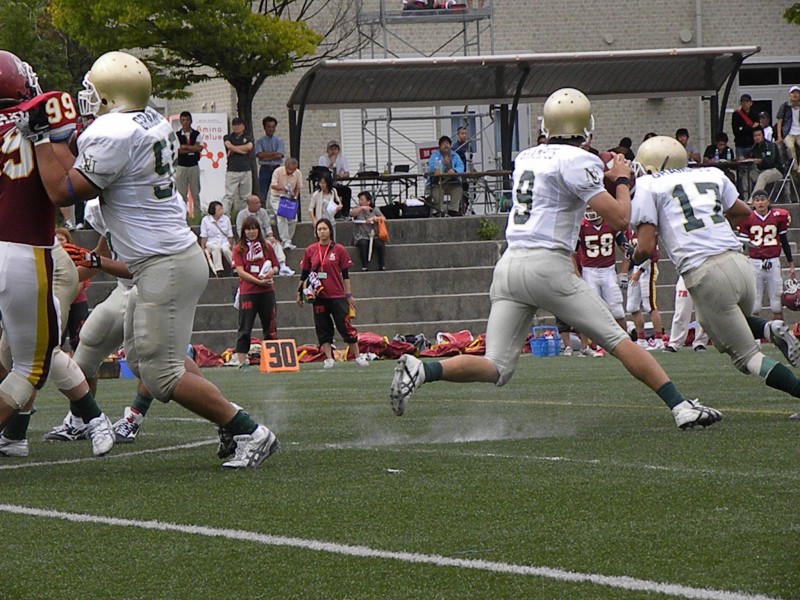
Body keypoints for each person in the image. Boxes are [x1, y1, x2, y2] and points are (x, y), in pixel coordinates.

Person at [389, 87, 722, 430]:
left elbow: (564, 186)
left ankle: (423, 369)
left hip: (509, 265)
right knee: (618, 339)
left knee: (496, 366)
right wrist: (622, 180)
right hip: (548, 265)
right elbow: (621, 217)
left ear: (547, 126)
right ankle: (680, 406)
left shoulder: (527, 157)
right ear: (586, 127)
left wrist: (605, 174)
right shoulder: (580, 161)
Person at [20, 50, 278, 468]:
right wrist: (58, 139)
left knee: (161, 376)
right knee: (145, 361)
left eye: (94, 91)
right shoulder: (150, 120)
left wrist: (40, 139)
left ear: (111, 94)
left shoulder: (112, 132)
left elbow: (63, 190)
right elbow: (80, 169)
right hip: (165, 260)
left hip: (165, 264)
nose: (88, 98)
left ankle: (249, 429)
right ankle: (231, 423)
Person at [630, 135, 800, 413]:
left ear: (653, 165)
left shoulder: (649, 185)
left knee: (748, 358)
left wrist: (633, 256)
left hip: (706, 273)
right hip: (739, 262)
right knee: (710, 320)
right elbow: (742, 212)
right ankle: (768, 328)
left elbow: (646, 247)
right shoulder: (710, 173)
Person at [0, 50, 115, 458]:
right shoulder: (46, 105)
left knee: (22, 354)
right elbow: (70, 179)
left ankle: (18, 436)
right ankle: (93, 419)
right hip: (26, 250)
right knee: (32, 365)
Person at [297, 218, 370, 369]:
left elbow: (346, 275)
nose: (322, 232)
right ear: (316, 232)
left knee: (345, 327)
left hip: (337, 295)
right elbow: (304, 273)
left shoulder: (339, 249)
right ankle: (329, 358)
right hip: (319, 296)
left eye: (324, 228)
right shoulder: (310, 250)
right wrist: (299, 293)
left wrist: (348, 295)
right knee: (323, 328)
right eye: (319, 229)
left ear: (330, 230)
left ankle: (357, 356)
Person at [738, 190, 795, 319]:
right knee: (754, 302)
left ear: (768, 201)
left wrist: (791, 263)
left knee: (776, 301)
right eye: (757, 200)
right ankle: (756, 332)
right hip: (755, 262)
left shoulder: (778, 216)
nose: (760, 203)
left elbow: (784, 241)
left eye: (763, 199)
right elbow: (742, 244)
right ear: (753, 203)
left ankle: (778, 329)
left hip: (773, 261)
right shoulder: (747, 218)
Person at [232, 217, 280, 370]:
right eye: (248, 229)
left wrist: (271, 272)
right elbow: (241, 272)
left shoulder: (266, 247)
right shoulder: (239, 249)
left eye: (254, 228)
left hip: (267, 291)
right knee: (245, 328)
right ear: (243, 231)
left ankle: (272, 361)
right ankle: (242, 361)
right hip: (248, 292)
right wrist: (258, 281)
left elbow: (276, 266)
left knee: (270, 326)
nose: (251, 232)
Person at [575, 210, 628, 331]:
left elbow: (627, 250)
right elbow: (571, 254)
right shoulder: (581, 226)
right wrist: (577, 276)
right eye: (588, 208)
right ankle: (593, 342)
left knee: (617, 312)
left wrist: (624, 272)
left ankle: (626, 340)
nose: (590, 212)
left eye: (592, 208)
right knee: (591, 312)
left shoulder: (611, 223)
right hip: (589, 271)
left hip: (609, 271)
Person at [624, 230, 666, 350]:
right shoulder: (630, 231)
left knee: (649, 305)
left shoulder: (648, 230)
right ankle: (641, 339)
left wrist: (639, 272)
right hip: (636, 268)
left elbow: (651, 255)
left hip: (648, 269)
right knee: (632, 306)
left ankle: (659, 340)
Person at [55, 227, 90, 353]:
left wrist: (68, 298)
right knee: (59, 336)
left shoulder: (76, 256)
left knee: (79, 335)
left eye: (62, 239)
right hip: (58, 301)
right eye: (56, 239)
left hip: (77, 301)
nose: (59, 242)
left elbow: (81, 280)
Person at [664, 276, 709, 353]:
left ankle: (700, 342)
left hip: (703, 275)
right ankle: (674, 343)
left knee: (703, 311)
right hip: (685, 275)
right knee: (681, 310)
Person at [269, 157, 303, 250]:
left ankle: (288, 240)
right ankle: (285, 240)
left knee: (293, 219)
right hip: (277, 197)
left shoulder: (298, 173)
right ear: (286, 166)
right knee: (281, 216)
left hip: (289, 198)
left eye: (293, 170)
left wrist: (295, 197)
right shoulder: (278, 171)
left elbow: (298, 187)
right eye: (289, 169)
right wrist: (283, 188)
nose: (291, 172)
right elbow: (273, 185)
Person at [175, 111, 204, 218]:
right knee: (181, 193)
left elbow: (199, 148)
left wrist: (185, 147)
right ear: (180, 121)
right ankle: (183, 216)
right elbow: (177, 150)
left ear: (191, 121)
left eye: (187, 120)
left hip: (193, 166)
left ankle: (197, 216)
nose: (185, 122)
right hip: (181, 166)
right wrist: (192, 148)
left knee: (195, 192)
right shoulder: (177, 135)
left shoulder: (196, 134)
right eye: (183, 120)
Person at [222, 117, 253, 215]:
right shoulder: (228, 137)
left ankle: (244, 217)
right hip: (232, 170)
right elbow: (228, 146)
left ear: (243, 126)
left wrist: (234, 149)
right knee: (229, 196)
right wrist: (242, 151)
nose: (236, 127)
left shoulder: (247, 138)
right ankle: (225, 216)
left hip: (245, 170)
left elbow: (249, 147)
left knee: (246, 197)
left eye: (239, 125)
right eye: (234, 125)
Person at [427, 135, 465, 216]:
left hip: (452, 182)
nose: (446, 145)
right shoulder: (435, 155)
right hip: (438, 182)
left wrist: (455, 170)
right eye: (443, 144)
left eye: (447, 143)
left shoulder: (455, 155)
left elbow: (461, 166)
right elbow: (431, 168)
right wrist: (443, 163)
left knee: (458, 189)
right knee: (437, 193)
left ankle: (453, 210)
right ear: (439, 146)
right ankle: (439, 211)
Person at [350, 191, 386, 272]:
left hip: (373, 235)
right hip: (360, 235)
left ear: (368, 201)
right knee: (363, 244)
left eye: (362, 200)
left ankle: (382, 265)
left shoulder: (375, 209)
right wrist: (361, 208)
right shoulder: (357, 209)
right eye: (359, 200)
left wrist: (375, 218)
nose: (360, 202)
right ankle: (364, 266)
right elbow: (352, 214)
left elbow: (383, 218)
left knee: (380, 244)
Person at [255, 116, 285, 208]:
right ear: (264, 128)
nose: (271, 129)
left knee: (279, 192)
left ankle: (279, 212)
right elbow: (259, 155)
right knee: (262, 194)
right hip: (264, 169)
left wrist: (265, 155)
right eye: (268, 127)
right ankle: (262, 212)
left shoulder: (279, 141)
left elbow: (279, 155)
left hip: (277, 168)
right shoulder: (259, 141)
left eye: (273, 127)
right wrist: (274, 154)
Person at [199, 201, 234, 277]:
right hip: (211, 243)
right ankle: (219, 270)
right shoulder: (205, 220)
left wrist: (231, 246)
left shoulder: (226, 219)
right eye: (219, 210)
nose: (221, 211)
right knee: (216, 248)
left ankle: (235, 266)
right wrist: (203, 248)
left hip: (224, 242)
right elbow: (204, 236)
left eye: (221, 209)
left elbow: (230, 235)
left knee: (226, 249)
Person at [318, 141, 352, 218]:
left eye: (335, 149)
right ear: (327, 150)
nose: (333, 151)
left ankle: (345, 214)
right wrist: (331, 163)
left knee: (347, 191)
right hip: (326, 186)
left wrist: (342, 175)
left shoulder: (342, 158)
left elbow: (347, 173)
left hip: (337, 184)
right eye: (331, 149)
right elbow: (322, 173)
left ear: (338, 150)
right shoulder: (323, 158)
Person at [749, 125, 784, 195]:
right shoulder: (754, 148)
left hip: (775, 170)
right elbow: (750, 157)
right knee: (748, 175)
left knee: (763, 176)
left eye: (759, 135)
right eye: (755, 136)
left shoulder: (770, 145)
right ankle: (745, 197)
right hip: (761, 170)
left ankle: (754, 198)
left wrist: (761, 161)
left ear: (763, 135)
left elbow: (770, 161)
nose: (757, 137)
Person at [308, 172, 342, 239]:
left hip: (331, 220)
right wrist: (314, 220)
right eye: (320, 183)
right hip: (321, 219)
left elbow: (339, 202)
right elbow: (310, 208)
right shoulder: (316, 194)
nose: (322, 185)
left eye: (324, 183)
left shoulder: (333, 191)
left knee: (332, 239)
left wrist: (339, 206)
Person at [775, 85, 800, 174]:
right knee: (790, 147)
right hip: (788, 132)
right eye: (793, 93)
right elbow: (780, 121)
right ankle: (795, 167)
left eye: (797, 93)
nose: (795, 95)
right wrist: (779, 136)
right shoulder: (785, 106)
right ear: (790, 95)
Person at [452, 126, 474, 214]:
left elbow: (471, 160)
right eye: (462, 134)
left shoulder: (469, 146)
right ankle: (461, 208)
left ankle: (468, 207)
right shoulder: (455, 148)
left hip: (468, 172)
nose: (464, 135)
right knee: (462, 192)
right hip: (460, 173)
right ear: (458, 135)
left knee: (471, 191)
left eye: (465, 133)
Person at [732, 93, 756, 159]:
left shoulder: (754, 114)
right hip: (741, 145)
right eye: (743, 102)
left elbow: (756, 129)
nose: (744, 104)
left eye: (747, 102)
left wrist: (743, 128)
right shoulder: (736, 114)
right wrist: (750, 128)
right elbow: (736, 131)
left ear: (751, 103)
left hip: (752, 144)